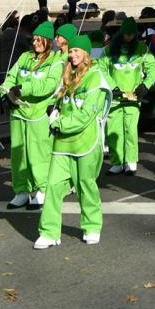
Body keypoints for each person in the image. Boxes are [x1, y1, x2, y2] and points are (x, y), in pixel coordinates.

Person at [34, 34, 111, 249]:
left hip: (85, 142)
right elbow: (58, 99)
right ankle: (49, 232)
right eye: (71, 51)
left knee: (86, 185)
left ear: (86, 53)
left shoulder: (96, 77)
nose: (73, 54)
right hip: (62, 143)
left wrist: (58, 123)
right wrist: (53, 107)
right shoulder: (67, 74)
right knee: (52, 186)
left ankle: (92, 226)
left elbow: (86, 115)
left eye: (77, 51)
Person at [0, 20, 63, 209]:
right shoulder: (24, 57)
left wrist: (23, 89)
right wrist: (5, 94)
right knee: (18, 154)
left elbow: (48, 85)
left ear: (48, 42)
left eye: (39, 40)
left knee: (38, 154)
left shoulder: (55, 60)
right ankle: (21, 191)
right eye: (33, 40)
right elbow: (10, 77)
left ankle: (42, 190)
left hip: (38, 115)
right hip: (18, 112)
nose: (35, 43)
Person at [106, 18, 155, 175]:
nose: (128, 38)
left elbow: (153, 67)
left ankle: (130, 161)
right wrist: (111, 86)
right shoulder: (110, 50)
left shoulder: (142, 49)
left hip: (133, 98)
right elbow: (100, 68)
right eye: (126, 34)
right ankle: (117, 162)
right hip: (115, 98)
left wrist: (145, 85)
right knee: (113, 131)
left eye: (131, 35)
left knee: (130, 130)